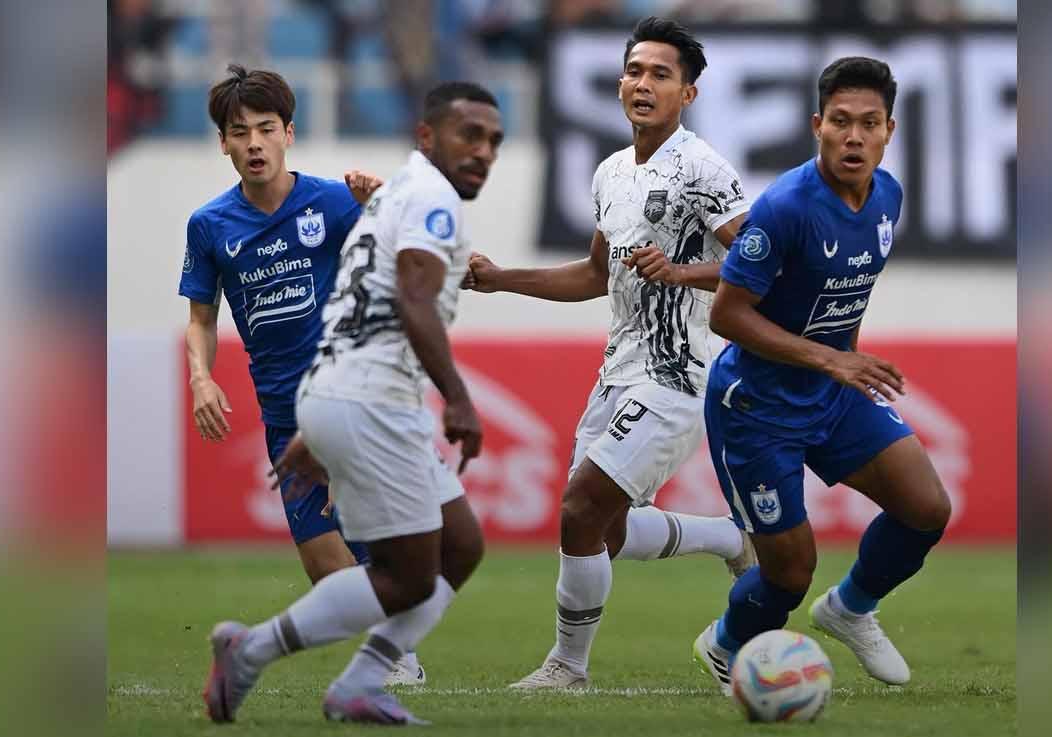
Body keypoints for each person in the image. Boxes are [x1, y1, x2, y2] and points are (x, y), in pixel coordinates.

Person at [463, 17, 755, 690]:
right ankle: (729, 539)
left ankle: (568, 665)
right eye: (634, 70)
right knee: (604, 531)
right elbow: (597, 276)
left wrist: (682, 274)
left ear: (689, 93)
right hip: (617, 373)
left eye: (660, 74)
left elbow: (762, 261)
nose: (642, 84)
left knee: (576, 509)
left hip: (678, 375)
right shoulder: (610, 172)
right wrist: (502, 277)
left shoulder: (702, 168)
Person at [202, 81, 504, 726]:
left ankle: (362, 680)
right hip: (371, 403)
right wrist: (458, 400)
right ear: (427, 137)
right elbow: (412, 303)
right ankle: (250, 649)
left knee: (462, 546)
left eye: (494, 141)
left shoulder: (384, 201)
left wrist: (323, 415)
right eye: (468, 136)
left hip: (344, 395)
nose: (483, 152)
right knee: (407, 575)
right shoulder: (429, 201)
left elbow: (351, 305)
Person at [690, 56, 952, 693]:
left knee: (926, 508)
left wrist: (843, 362)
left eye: (869, 123)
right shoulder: (785, 206)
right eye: (841, 122)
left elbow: (838, 297)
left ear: (890, 129)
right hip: (755, 407)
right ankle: (726, 643)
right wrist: (832, 358)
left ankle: (852, 608)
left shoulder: (887, 194)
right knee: (788, 573)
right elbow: (727, 314)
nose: (854, 136)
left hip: (832, 394)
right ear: (817, 125)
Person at [177, 64, 426, 684]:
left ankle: (396, 657)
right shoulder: (210, 226)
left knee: (376, 537)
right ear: (224, 142)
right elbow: (202, 318)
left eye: (266, 129)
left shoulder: (334, 202)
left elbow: (403, 262)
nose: (254, 143)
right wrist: (202, 378)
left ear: (289, 132)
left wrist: (379, 207)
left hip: (348, 396)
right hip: (282, 412)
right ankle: (392, 643)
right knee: (321, 559)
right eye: (240, 132)